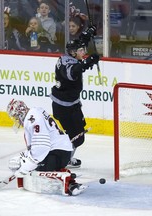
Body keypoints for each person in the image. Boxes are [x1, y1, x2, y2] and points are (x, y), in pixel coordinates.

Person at [6, 99, 86, 196]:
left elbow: (42, 146)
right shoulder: (36, 112)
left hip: (56, 155)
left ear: (20, 113)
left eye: (16, 117)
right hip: (61, 152)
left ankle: (67, 181)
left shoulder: (32, 119)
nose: (17, 120)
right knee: (26, 162)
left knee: (30, 166)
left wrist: (26, 166)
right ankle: (69, 181)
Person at [50, 25, 99, 168]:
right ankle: (63, 162)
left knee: (72, 136)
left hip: (68, 104)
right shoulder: (67, 63)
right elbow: (73, 73)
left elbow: (78, 46)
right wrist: (87, 62)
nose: (83, 52)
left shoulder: (69, 56)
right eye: (81, 50)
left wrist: (87, 34)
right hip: (66, 107)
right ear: (73, 53)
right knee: (77, 138)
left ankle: (64, 157)